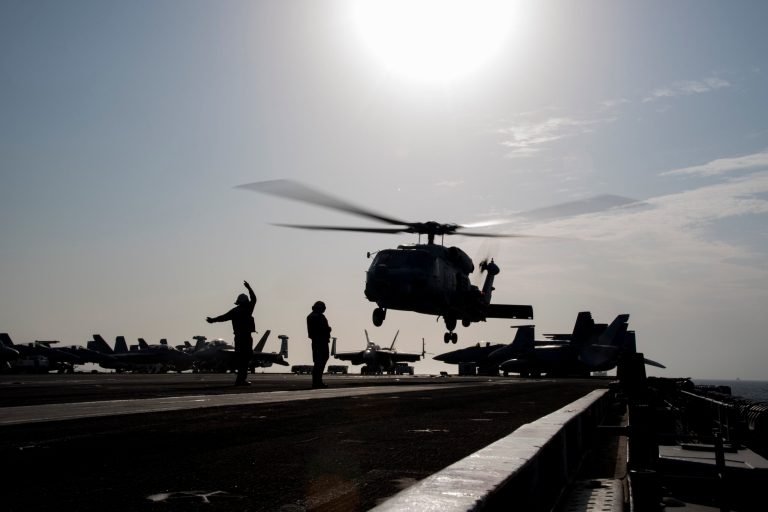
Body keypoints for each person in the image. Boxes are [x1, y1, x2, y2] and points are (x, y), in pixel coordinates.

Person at [206, 280, 257, 386]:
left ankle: (239, 380)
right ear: (246, 302)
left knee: (240, 359)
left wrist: (212, 320)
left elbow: (223, 317)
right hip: (246, 338)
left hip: (238, 338)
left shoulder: (234, 311)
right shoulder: (248, 309)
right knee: (246, 358)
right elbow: (254, 299)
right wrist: (249, 287)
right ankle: (241, 380)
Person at [306, 300, 331, 389]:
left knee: (317, 362)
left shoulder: (310, 316)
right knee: (321, 362)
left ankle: (316, 382)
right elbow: (323, 329)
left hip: (315, 342)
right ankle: (317, 382)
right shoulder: (319, 316)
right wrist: (328, 329)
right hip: (321, 342)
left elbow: (311, 333)